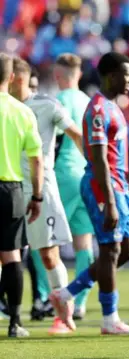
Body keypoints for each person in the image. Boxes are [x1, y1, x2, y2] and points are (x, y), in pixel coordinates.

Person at [48, 52, 129, 335]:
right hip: (102, 186)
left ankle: (66, 294)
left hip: (119, 185)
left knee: (126, 251)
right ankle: (109, 319)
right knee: (110, 250)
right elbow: (99, 159)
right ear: (110, 75)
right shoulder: (99, 109)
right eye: (126, 74)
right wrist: (110, 201)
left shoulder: (114, 106)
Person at [10, 57, 84, 335]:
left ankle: (63, 315)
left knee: (49, 255)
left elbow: (75, 134)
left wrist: (94, 168)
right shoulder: (5, 106)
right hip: (9, 186)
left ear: (16, 78)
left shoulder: (48, 105)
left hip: (42, 189)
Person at [0, 52, 43, 337]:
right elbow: (36, 159)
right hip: (11, 190)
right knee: (12, 255)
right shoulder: (22, 111)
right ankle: (15, 322)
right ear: (12, 77)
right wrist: (37, 196)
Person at [53, 53, 95, 321]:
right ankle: (79, 301)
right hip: (86, 173)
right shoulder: (90, 102)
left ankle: (48, 296)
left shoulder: (58, 101)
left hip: (63, 173)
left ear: (59, 75)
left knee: (46, 239)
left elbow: (51, 141)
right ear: (78, 74)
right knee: (84, 243)